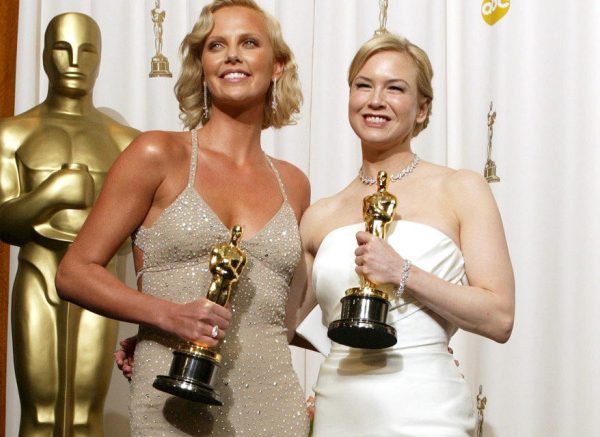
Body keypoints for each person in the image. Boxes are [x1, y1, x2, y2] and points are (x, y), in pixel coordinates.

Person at [56, 1, 310, 435]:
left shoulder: (294, 184)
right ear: (202, 66)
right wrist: (164, 315)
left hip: (274, 404)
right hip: (170, 402)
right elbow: (74, 272)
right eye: (216, 45)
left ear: (277, 66)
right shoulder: (158, 154)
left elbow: (283, 314)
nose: (233, 55)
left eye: (249, 42)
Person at [297, 33, 515, 436]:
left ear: (422, 108)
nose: (376, 100)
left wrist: (403, 273)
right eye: (364, 85)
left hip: (427, 411)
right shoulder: (320, 214)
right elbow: (279, 323)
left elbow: (499, 317)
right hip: (338, 410)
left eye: (395, 88)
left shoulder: (460, 189)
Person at [0, 12, 139, 436]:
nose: (75, 61)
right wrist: (52, 193)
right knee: (40, 413)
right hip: (39, 272)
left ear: (100, 58)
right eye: (62, 49)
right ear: (45, 56)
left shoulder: (126, 142)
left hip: (100, 280)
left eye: (87, 50)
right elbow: (4, 221)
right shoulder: (12, 134)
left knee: (84, 414)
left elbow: (137, 232)